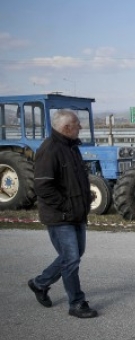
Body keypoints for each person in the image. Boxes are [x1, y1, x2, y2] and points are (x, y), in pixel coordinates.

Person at [28, 109, 98, 318]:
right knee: (71, 258)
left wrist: (86, 197)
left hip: (76, 213)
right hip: (60, 216)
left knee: (74, 255)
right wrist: (67, 206)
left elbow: (74, 180)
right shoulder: (49, 149)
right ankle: (76, 303)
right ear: (67, 128)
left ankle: (40, 283)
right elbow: (43, 187)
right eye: (78, 124)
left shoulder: (72, 148)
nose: (81, 127)